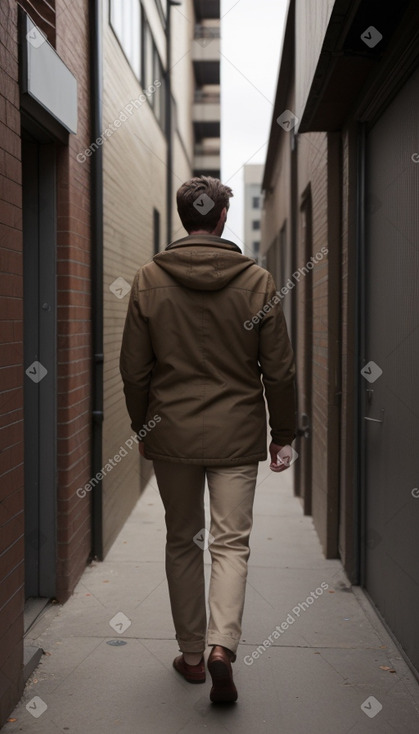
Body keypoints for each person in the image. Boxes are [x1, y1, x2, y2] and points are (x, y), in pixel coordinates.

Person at [119, 176, 296, 703]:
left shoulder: (148, 279)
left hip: (170, 433)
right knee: (230, 543)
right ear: (221, 219)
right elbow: (280, 372)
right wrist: (282, 433)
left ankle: (193, 656)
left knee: (183, 541)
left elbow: (133, 371)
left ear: (183, 218)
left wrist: (141, 428)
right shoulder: (259, 282)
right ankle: (223, 646)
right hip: (237, 437)